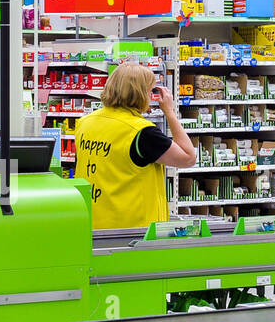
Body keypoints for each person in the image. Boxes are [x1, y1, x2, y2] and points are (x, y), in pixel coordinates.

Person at [73, 62, 197, 230]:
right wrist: (170, 112)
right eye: (150, 90)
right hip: (133, 230)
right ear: (140, 93)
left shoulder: (85, 123)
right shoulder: (142, 133)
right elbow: (188, 158)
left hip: (92, 224)